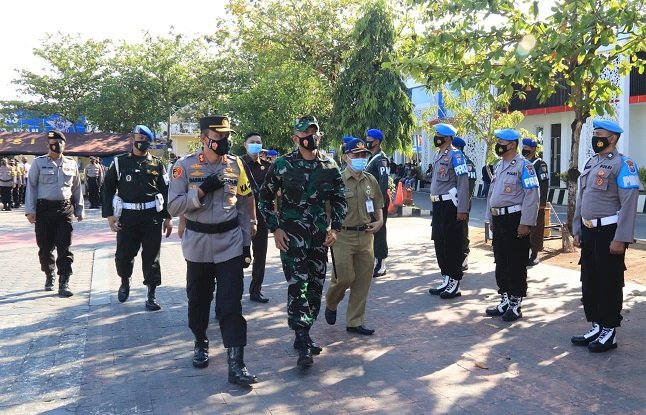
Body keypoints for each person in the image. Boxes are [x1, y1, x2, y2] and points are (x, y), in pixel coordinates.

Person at [168, 115, 257, 385]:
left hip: (229, 242)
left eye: (227, 135)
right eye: (219, 136)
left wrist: (245, 241)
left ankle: (236, 364)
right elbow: (173, 206)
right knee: (198, 299)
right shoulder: (184, 166)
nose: (224, 141)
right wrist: (201, 192)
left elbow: (243, 202)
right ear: (204, 138)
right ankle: (200, 341)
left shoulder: (236, 165)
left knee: (231, 302)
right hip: (198, 245)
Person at [258, 115, 347, 368]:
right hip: (292, 239)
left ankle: (304, 331)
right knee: (299, 285)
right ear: (295, 138)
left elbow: (340, 199)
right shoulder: (283, 165)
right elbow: (264, 199)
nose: (311, 137)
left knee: (316, 287)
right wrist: (274, 229)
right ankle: (302, 337)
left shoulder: (330, 166)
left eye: (314, 132)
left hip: (319, 239)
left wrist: (336, 228)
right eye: (306, 133)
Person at [571, 120, 639, 353]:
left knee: (609, 282)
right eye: (594, 134)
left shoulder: (624, 164)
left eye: (599, 134)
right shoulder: (591, 163)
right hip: (589, 231)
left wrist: (621, 238)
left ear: (612, 138)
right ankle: (597, 324)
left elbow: (629, 203)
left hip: (609, 232)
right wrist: (577, 229)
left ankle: (609, 330)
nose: (595, 138)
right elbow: (583, 199)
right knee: (590, 281)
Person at [102, 125, 173, 311]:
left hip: (152, 217)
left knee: (152, 257)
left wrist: (168, 217)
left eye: (143, 138)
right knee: (124, 255)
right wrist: (110, 216)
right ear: (132, 140)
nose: (139, 141)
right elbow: (108, 189)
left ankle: (151, 294)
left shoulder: (157, 164)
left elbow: (165, 191)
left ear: (149, 142)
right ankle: (125, 281)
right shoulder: (119, 163)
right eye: (136, 137)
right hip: (128, 216)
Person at [324, 138, 384, 335]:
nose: (360, 158)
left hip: (366, 236)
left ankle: (354, 321)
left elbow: (377, 203)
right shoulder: (337, 181)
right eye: (356, 155)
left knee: (363, 281)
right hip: (343, 236)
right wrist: (327, 231)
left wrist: (379, 221)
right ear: (346, 157)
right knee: (345, 278)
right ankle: (332, 303)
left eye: (363, 155)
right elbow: (327, 210)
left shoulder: (370, 180)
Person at [484, 128, 539, 321]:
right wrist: (490, 218)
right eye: (497, 141)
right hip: (499, 219)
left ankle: (516, 303)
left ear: (513, 144)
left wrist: (526, 223)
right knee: (501, 261)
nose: (498, 145)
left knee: (515, 262)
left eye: (501, 142)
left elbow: (532, 195)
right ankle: (505, 299)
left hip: (515, 220)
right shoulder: (499, 165)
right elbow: (492, 194)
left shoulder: (525, 167)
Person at [25, 131, 84, 296]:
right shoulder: (38, 163)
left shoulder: (71, 164)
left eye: (59, 141)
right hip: (44, 211)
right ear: (47, 144)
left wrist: (79, 209)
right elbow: (31, 187)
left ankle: (64, 281)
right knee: (45, 248)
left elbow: (77, 187)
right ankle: (49, 273)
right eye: (52, 141)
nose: (55, 144)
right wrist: (30, 211)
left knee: (64, 247)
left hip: (65, 210)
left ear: (64, 144)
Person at [427, 123, 470, 299]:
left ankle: (454, 281)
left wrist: (462, 209)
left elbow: (463, 182)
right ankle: (446, 277)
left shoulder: (456, 155)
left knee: (452, 244)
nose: (435, 137)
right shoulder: (439, 155)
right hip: (438, 206)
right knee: (440, 241)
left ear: (447, 138)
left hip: (450, 206)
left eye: (438, 135)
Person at [240, 132, 272, 303]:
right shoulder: (237, 164)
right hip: (241, 217)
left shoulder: (267, 167)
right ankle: (234, 291)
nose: (256, 145)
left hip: (261, 217)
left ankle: (256, 290)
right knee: (239, 256)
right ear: (245, 144)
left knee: (260, 255)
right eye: (252, 142)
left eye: (258, 142)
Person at [365, 128, 390, 278]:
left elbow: (383, 181)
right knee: (371, 230)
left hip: (377, 202)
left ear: (377, 141)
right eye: (367, 137)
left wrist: (379, 203)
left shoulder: (381, 159)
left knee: (379, 231)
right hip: (369, 201)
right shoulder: (370, 157)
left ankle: (381, 263)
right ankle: (374, 260)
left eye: (370, 138)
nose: (367, 140)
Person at [521, 138, 550, 266]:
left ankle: (535, 253)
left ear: (533, 149)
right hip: (523, 200)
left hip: (536, 201)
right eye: (524, 146)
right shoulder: (522, 162)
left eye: (527, 147)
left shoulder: (540, 164)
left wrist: (542, 202)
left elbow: (544, 184)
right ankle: (524, 252)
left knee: (536, 228)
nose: (524, 149)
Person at [452, 136, 477, 270]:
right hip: (450, 204)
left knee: (462, 231)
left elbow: (469, 187)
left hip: (462, 204)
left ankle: (464, 257)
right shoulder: (453, 160)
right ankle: (455, 257)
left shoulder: (467, 163)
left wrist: (462, 206)